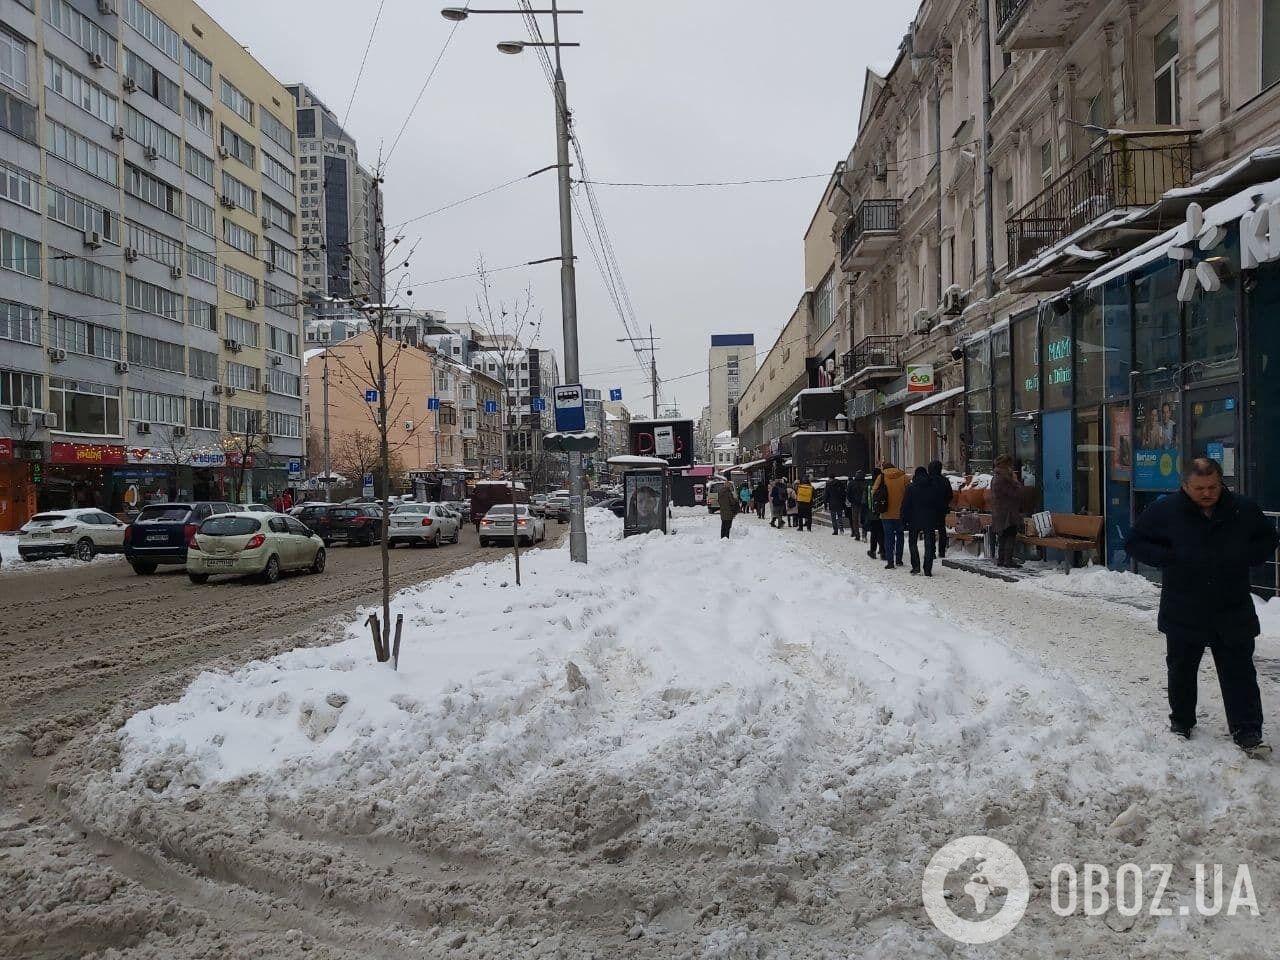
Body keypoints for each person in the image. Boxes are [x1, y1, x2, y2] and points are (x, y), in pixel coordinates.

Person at [1125, 457, 1278, 753]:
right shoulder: (1166, 510)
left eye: (1212, 487)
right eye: (1199, 488)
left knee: (1240, 672)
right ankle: (1181, 721)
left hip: (1232, 605)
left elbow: (1268, 538)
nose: (1207, 493)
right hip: (1184, 604)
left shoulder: (1242, 509)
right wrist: (1169, 558)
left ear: (1221, 483)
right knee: (1181, 668)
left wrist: (1247, 555)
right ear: (1185, 485)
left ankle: (1247, 731)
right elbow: (1135, 542)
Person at [871, 463, 908, 569]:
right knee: (900, 535)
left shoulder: (881, 477)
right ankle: (899, 560)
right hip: (900, 513)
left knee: (888, 537)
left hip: (885, 512)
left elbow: (873, 492)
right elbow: (909, 493)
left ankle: (890, 561)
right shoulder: (903, 477)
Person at [902, 466, 937, 576]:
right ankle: (927, 568)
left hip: (914, 519)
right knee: (929, 544)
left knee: (912, 543)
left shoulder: (911, 488)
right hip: (929, 519)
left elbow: (906, 505)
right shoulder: (932, 487)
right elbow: (937, 504)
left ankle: (916, 566)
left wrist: (904, 519)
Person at [990, 455, 1024, 568]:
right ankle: (1007, 561)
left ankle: (1001, 559)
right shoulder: (1005, 478)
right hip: (1008, 511)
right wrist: (1016, 481)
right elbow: (1016, 494)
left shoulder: (996, 476)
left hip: (999, 511)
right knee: (1010, 535)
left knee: (1003, 536)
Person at [927, 461, 951, 559]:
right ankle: (942, 551)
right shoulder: (945, 480)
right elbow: (950, 495)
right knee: (942, 529)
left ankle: (932, 551)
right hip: (942, 509)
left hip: (930, 509)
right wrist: (945, 502)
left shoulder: (928, 480)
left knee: (930, 530)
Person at [865, 467, 884, 558]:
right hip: (882, 512)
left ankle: (873, 551)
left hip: (872, 513)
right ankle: (883, 550)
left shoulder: (870, 486)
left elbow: (866, 500)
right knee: (881, 532)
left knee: (874, 533)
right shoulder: (883, 484)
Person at [849, 470, 868, 541]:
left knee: (855, 520)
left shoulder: (851, 483)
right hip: (864, 504)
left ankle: (857, 535)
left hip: (854, 504)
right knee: (864, 520)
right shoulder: (866, 483)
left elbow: (848, 493)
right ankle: (864, 535)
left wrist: (851, 501)